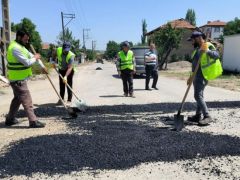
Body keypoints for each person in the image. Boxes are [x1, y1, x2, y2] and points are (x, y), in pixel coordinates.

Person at [5, 29, 47, 128]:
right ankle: (33, 121)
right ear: (19, 37)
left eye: (27, 40)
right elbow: (27, 62)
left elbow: (32, 56)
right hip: (17, 80)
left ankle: (10, 119)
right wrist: (35, 58)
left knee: (17, 99)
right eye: (25, 39)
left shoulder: (21, 47)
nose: (27, 41)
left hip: (20, 78)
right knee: (26, 99)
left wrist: (42, 66)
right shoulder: (15, 48)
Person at [187, 31, 222, 126]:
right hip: (195, 76)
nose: (191, 42)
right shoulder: (197, 49)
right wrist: (190, 77)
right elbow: (194, 65)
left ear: (198, 38)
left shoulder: (208, 45)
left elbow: (217, 56)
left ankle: (207, 116)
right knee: (200, 96)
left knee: (197, 96)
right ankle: (197, 116)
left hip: (202, 76)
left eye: (192, 40)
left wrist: (207, 51)